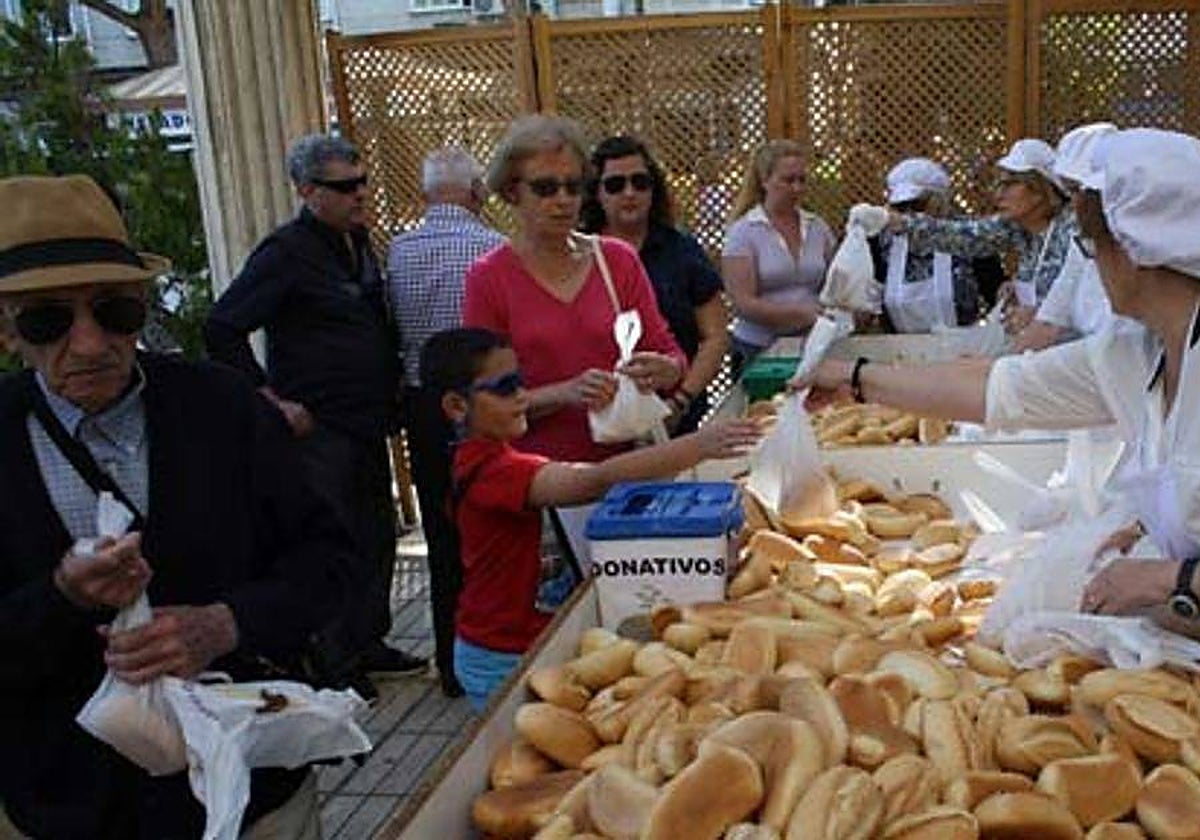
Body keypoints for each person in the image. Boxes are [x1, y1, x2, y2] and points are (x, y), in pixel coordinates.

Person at [0, 174, 349, 837]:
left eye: (114, 312)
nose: (90, 343)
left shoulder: (223, 407)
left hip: (255, 796)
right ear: (6, 330)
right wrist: (60, 597)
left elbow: (330, 562)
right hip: (70, 809)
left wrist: (225, 624)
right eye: (49, 318)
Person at [797, 128, 1200, 638]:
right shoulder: (1135, 351)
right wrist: (854, 378)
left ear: (1136, 250)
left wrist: (1172, 577)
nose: (1092, 263)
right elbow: (1000, 389)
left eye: (1093, 244)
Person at [419, 327, 762, 709]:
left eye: (520, 381)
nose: (521, 396)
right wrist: (697, 446)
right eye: (503, 387)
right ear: (456, 406)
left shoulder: (498, 459)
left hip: (519, 638)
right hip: (499, 651)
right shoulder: (493, 470)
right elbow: (593, 481)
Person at [206, 134, 422, 701]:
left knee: (377, 536)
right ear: (307, 191)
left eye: (363, 181)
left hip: (367, 421)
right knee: (332, 542)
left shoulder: (357, 242)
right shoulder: (284, 254)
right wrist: (270, 402)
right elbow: (222, 329)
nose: (360, 194)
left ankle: (368, 640)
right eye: (344, 186)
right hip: (317, 429)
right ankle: (333, 657)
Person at [462, 115, 686, 464]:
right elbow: (484, 401)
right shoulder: (489, 278)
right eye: (545, 188)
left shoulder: (617, 260)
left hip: (627, 466)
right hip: (541, 478)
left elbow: (670, 354)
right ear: (511, 191)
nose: (563, 199)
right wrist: (564, 393)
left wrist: (665, 369)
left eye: (573, 186)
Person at [387, 147, 505, 698]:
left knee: (441, 533)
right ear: (477, 192)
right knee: (488, 529)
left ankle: (449, 662)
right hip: (479, 404)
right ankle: (491, 648)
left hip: (421, 405)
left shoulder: (398, 252)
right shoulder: (492, 249)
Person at [580, 135, 728, 434]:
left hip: (675, 417)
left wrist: (681, 399)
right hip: (597, 421)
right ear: (596, 193)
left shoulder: (682, 251)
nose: (629, 192)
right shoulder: (576, 254)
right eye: (615, 185)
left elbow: (715, 336)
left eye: (640, 182)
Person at [888, 138, 1075, 337]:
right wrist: (1015, 292)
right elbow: (966, 237)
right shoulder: (1016, 228)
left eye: (1009, 184)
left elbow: (1089, 304)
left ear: (1039, 191)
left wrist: (1039, 314)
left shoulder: (1072, 233)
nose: (999, 194)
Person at [721, 139, 837, 373]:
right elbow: (742, 303)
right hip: (759, 349)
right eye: (788, 180)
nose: (797, 188)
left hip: (811, 346)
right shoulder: (743, 232)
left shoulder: (818, 228)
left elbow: (833, 286)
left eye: (802, 180)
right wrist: (798, 314)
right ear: (765, 181)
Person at [1013, 124, 1121, 352]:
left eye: (1078, 190)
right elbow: (1048, 322)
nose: (1075, 203)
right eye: (1071, 192)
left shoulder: (1137, 253)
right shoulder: (1081, 243)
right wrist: (1001, 365)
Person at [870, 157, 1005, 332]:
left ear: (941, 201)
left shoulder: (968, 236)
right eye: (901, 206)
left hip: (962, 350)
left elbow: (995, 293)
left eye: (918, 205)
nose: (910, 214)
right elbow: (866, 301)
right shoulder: (881, 242)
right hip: (899, 351)